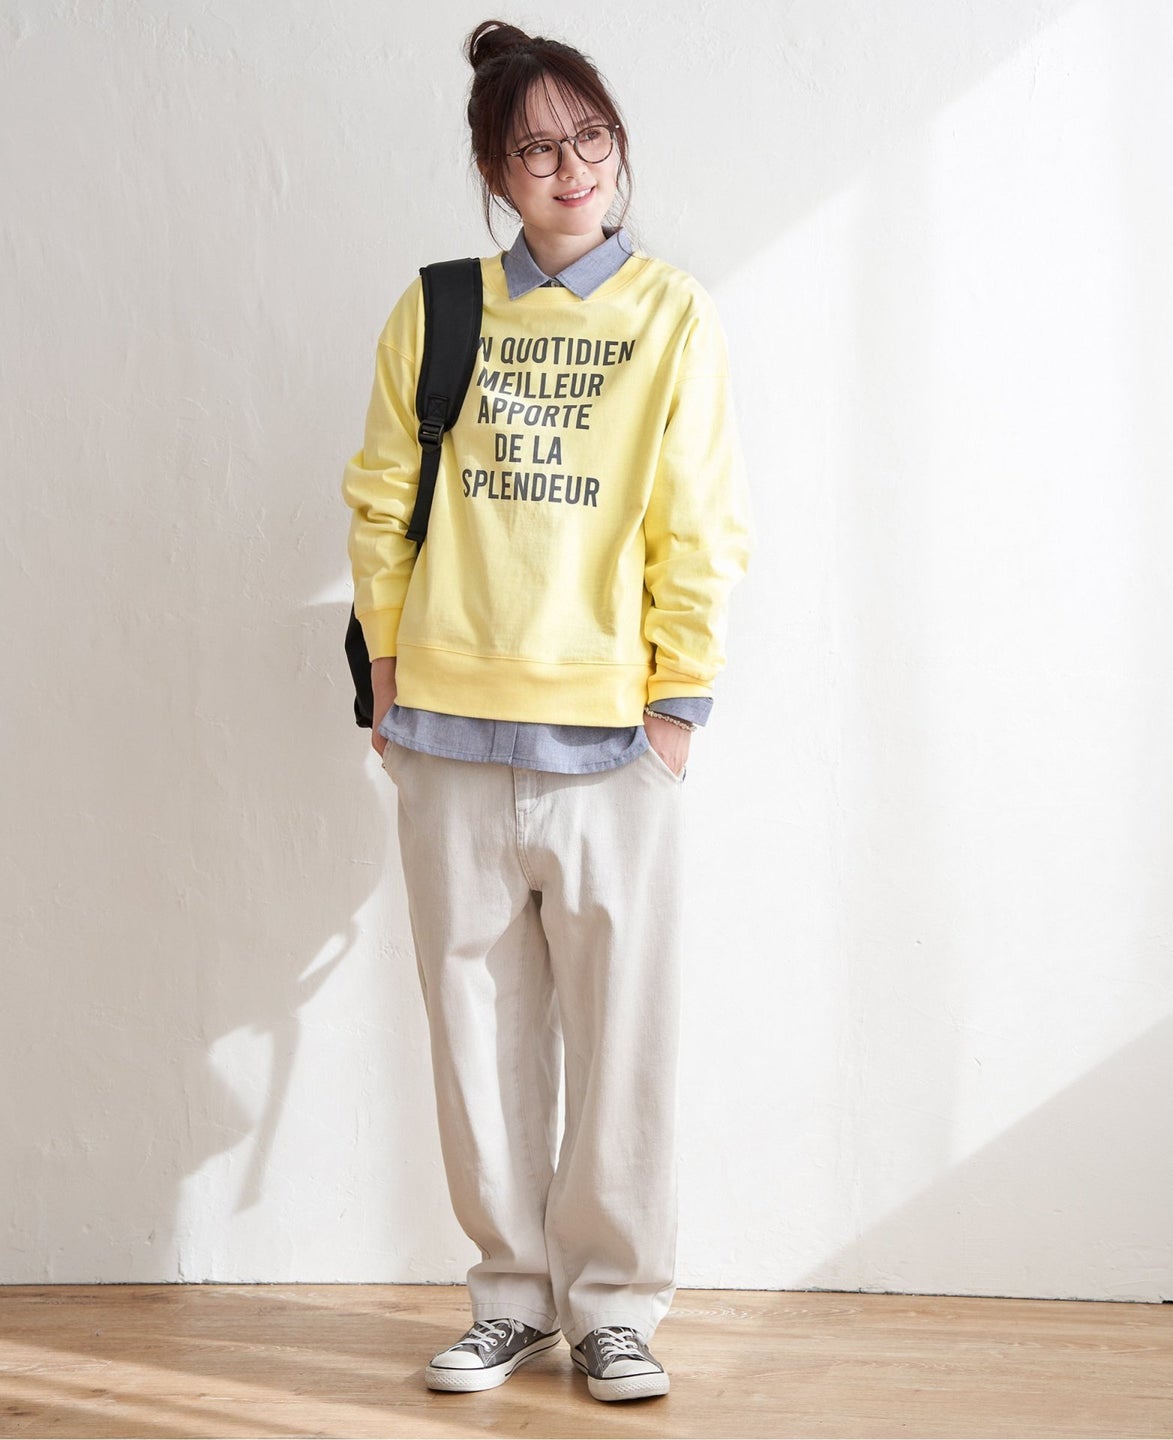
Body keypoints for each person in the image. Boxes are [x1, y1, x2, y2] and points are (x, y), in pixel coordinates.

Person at [341, 17, 754, 1404]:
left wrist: (677, 704)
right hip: (448, 732)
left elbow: (701, 523)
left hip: (613, 738)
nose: (573, 168)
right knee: (476, 1034)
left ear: (616, 145)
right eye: (537, 150)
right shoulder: (440, 310)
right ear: (493, 172)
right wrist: (388, 675)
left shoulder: (672, 315)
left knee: (625, 1034)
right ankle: (510, 1298)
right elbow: (380, 501)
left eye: (591, 138)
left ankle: (616, 1308)